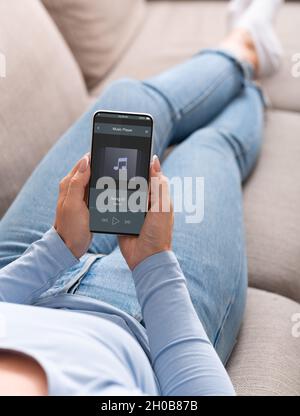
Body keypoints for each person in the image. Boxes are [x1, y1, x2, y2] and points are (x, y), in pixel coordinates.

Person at [0, 0, 283, 395]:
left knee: (127, 101)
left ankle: (239, 50)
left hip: (16, 270)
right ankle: (249, 74)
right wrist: (153, 265)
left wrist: (57, 248)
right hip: (136, 326)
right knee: (206, 150)